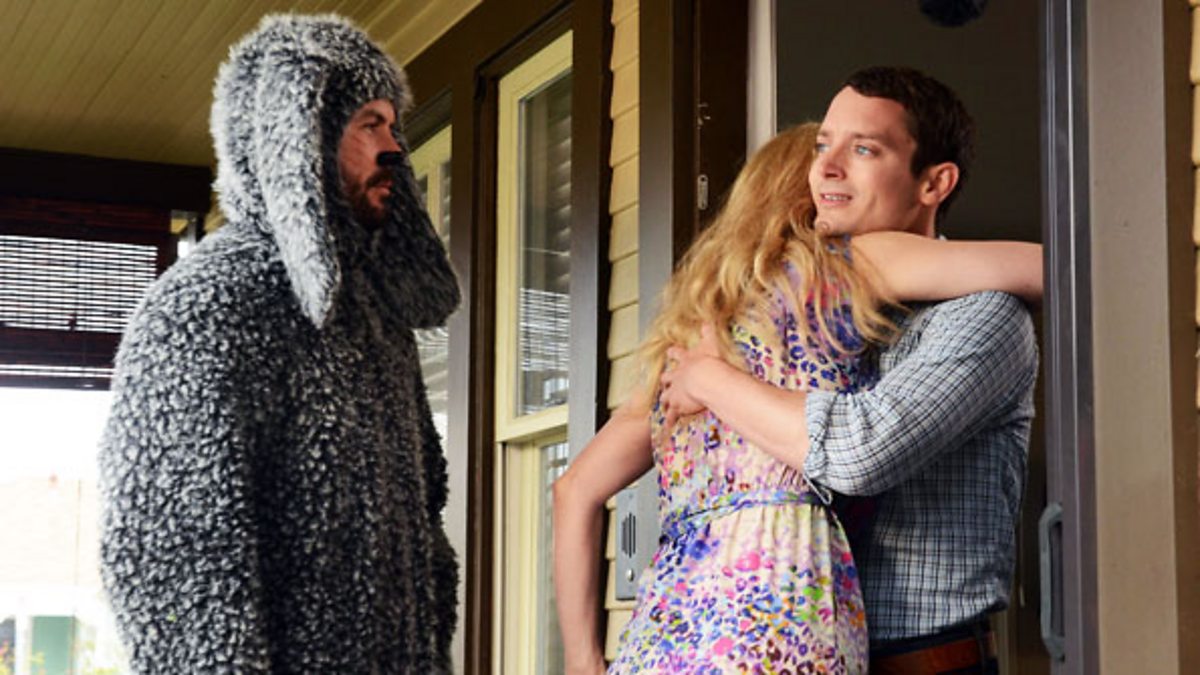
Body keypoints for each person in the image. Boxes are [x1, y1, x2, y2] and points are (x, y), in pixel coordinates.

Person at [554, 114, 1040, 672]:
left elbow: (573, 490)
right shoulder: (843, 264)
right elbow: (1053, 268)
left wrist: (583, 661)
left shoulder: (687, 343)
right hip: (777, 612)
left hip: (667, 626)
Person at [98, 14, 460, 673]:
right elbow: (174, 558)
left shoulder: (380, 318)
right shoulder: (202, 308)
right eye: (368, 124)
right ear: (296, 135)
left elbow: (427, 517)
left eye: (393, 125)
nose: (394, 148)